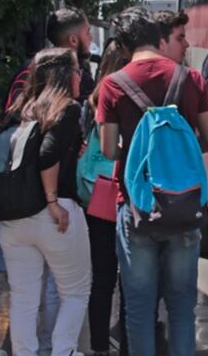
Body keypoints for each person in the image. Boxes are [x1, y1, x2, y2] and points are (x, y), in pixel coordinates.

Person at [96, 7, 208, 356]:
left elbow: (109, 150)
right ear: (158, 37)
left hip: (137, 206)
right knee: (182, 306)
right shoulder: (191, 79)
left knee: (139, 308)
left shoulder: (113, 85)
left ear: (124, 46)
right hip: (184, 205)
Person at [0, 47, 92, 356]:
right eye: (77, 71)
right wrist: (52, 201)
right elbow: (47, 154)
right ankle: (64, 351)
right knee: (75, 293)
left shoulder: (18, 109)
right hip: (56, 215)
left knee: (23, 296)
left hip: (14, 217)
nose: (80, 77)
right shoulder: (67, 109)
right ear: (65, 76)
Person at [81, 41, 129, 356]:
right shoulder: (128, 97)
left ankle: (99, 346)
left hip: (94, 192)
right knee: (130, 278)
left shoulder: (91, 99)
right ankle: (127, 343)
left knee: (101, 277)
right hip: (124, 190)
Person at [5, 8, 95, 113]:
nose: (91, 38)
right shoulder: (80, 77)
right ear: (73, 40)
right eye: (88, 32)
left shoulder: (30, 68)